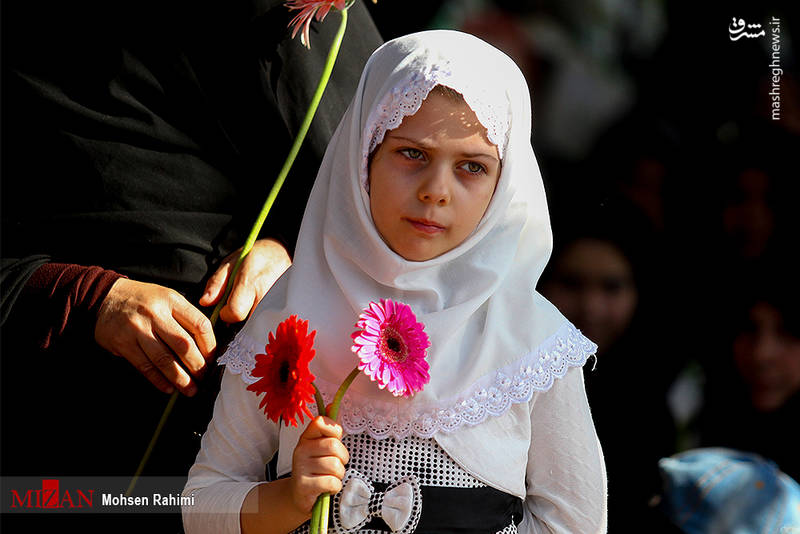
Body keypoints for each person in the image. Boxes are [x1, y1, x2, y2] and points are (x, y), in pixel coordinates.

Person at [182, 30, 607, 533]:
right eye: (412, 154)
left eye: (472, 166)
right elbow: (201, 506)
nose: (435, 191)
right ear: (362, 156)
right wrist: (290, 499)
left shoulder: (532, 343)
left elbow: (575, 523)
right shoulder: (290, 312)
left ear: (505, 184)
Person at [0, 1, 382, 530]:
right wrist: (84, 296)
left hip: (249, 445)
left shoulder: (286, 15)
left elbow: (391, 201)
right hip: (49, 451)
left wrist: (294, 255)